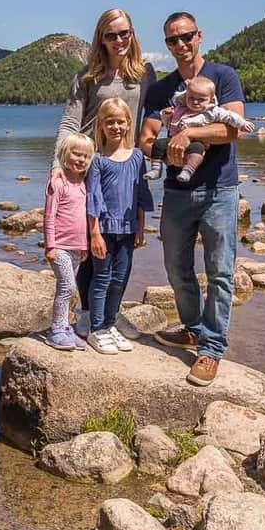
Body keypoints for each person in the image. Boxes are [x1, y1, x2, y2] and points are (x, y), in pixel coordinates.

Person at [140, 12, 246, 386]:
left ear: (199, 36)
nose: (181, 45)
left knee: (220, 271)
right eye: (172, 40)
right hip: (177, 191)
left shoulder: (223, 77)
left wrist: (192, 133)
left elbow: (233, 129)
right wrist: (171, 144)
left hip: (220, 189)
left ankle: (212, 347)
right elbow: (146, 140)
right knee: (176, 268)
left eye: (186, 37)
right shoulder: (162, 90)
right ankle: (192, 327)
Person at [50, 8, 156, 323]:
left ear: (132, 34)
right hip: (90, 167)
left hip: (126, 167)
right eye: (111, 35)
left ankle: (108, 316)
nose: (119, 40)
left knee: (123, 240)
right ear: (102, 39)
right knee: (89, 243)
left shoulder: (145, 74)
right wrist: (58, 165)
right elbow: (70, 123)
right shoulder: (88, 75)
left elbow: (155, 115)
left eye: (124, 33)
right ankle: (87, 316)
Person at [85, 97, 153, 354]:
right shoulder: (98, 160)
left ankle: (110, 323)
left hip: (128, 229)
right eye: (109, 122)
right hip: (103, 229)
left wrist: (140, 226)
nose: (115, 127)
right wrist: (94, 233)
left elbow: (141, 193)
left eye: (120, 122)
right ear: (101, 126)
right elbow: (93, 197)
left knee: (120, 278)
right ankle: (96, 328)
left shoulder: (136, 157)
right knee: (101, 278)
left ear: (128, 125)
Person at [145, 75, 256, 182]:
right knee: (158, 144)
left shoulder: (212, 111)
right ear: (186, 96)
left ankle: (188, 170)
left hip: (198, 141)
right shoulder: (180, 109)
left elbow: (230, 117)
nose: (195, 102)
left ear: (211, 100)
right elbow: (169, 125)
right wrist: (166, 115)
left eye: (201, 99)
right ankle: (156, 169)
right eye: (191, 98)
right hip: (175, 140)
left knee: (197, 150)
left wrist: (242, 123)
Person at [42, 133, 95, 351]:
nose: (81, 160)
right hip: (60, 247)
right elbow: (49, 216)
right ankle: (55, 329)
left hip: (76, 248)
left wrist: (84, 247)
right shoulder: (59, 183)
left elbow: (81, 218)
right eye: (76, 154)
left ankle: (64, 327)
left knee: (68, 287)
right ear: (65, 154)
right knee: (67, 286)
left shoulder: (83, 184)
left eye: (86, 156)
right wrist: (50, 246)